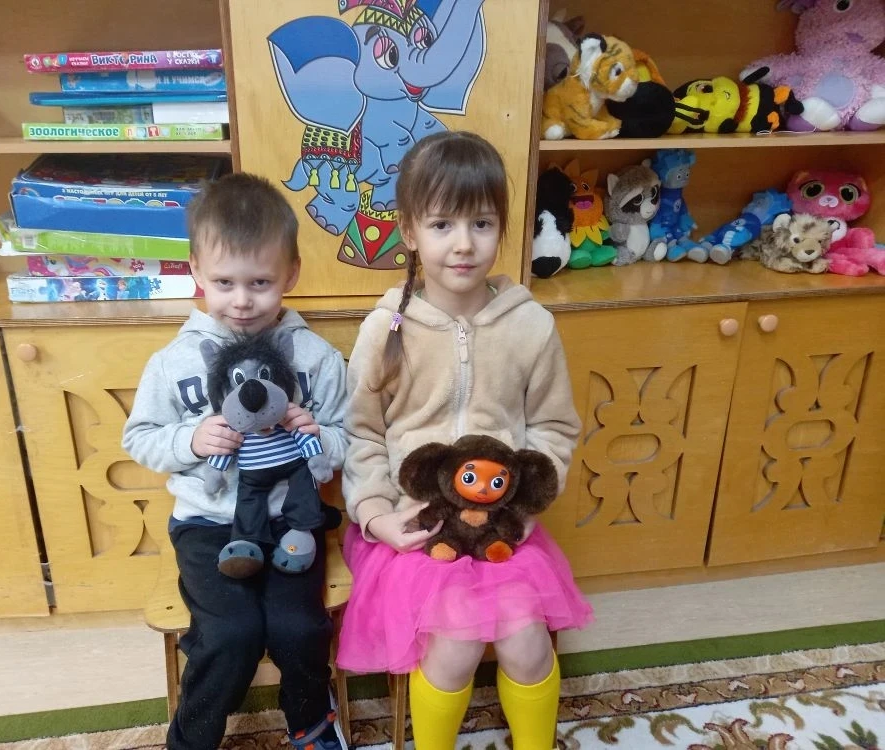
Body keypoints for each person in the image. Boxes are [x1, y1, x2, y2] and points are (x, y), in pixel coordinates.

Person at [338, 131, 593, 750]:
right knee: (454, 649)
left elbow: (554, 428)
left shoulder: (531, 326)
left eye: (481, 223)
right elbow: (360, 433)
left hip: (503, 523)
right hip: (413, 528)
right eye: (442, 224)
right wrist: (376, 515)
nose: (463, 243)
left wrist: (523, 506)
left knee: (528, 645)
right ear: (409, 231)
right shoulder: (384, 329)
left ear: (502, 227)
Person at [122, 173, 348, 750]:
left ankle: (312, 723)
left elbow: (352, 437)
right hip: (207, 524)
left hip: (290, 524)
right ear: (196, 271)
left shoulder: (317, 357)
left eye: (260, 283)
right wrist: (191, 440)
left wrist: (318, 439)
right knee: (231, 634)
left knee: (299, 628)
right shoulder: (173, 361)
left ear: (291, 274)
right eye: (224, 282)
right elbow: (140, 437)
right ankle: (191, 740)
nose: (242, 300)